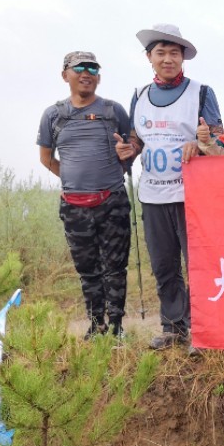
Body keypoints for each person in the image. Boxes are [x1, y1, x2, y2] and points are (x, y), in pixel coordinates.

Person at [114, 24, 224, 351]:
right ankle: (174, 327)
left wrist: (201, 142)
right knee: (164, 265)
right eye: (160, 53)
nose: (167, 59)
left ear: (183, 58)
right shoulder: (140, 96)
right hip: (153, 194)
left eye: (174, 53)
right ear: (149, 58)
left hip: (193, 195)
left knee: (198, 265)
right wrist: (128, 151)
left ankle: (204, 331)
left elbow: (219, 141)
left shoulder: (201, 92)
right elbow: (135, 141)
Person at [37, 51, 131, 339]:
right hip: (73, 206)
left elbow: (129, 152)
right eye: (78, 68)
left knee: (115, 268)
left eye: (92, 68)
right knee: (87, 269)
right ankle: (96, 324)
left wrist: (126, 154)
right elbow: (46, 158)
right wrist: (74, 180)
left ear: (99, 77)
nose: (86, 72)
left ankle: (115, 326)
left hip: (112, 200)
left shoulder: (114, 111)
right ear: (65, 75)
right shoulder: (53, 115)